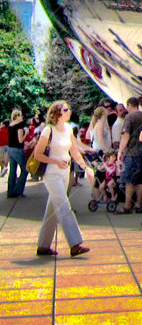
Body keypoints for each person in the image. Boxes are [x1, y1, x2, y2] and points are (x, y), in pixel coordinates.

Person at [34, 101, 93, 257]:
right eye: (66, 109)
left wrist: (85, 167)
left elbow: (74, 151)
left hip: (64, 172)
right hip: (52, 173)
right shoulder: (48, 130)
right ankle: (75, 243)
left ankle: (43, 246)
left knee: (52, 209)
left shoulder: (68, 129)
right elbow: (37, 154)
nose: (69, 111)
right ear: (57, 113)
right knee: (64, 206)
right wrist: (56, 161)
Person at [115, 97, 142, 214]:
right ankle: (139, 204)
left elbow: (126, 136)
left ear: (129, 104)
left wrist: (120, 151)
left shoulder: (129, 117)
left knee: (129, 180)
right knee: (140, 181)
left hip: (131, 152)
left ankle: (127, 205)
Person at [6, 107, 27, 198]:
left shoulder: (10, 125)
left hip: (10, 149)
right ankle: (18, 190)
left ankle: (10, 192)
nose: (22, 116)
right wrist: (26, 133)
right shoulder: (19, 127)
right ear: (17, 116)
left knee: (12, 171)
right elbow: (20, 140)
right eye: (21, 115)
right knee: (25, 169)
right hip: (17, 150)